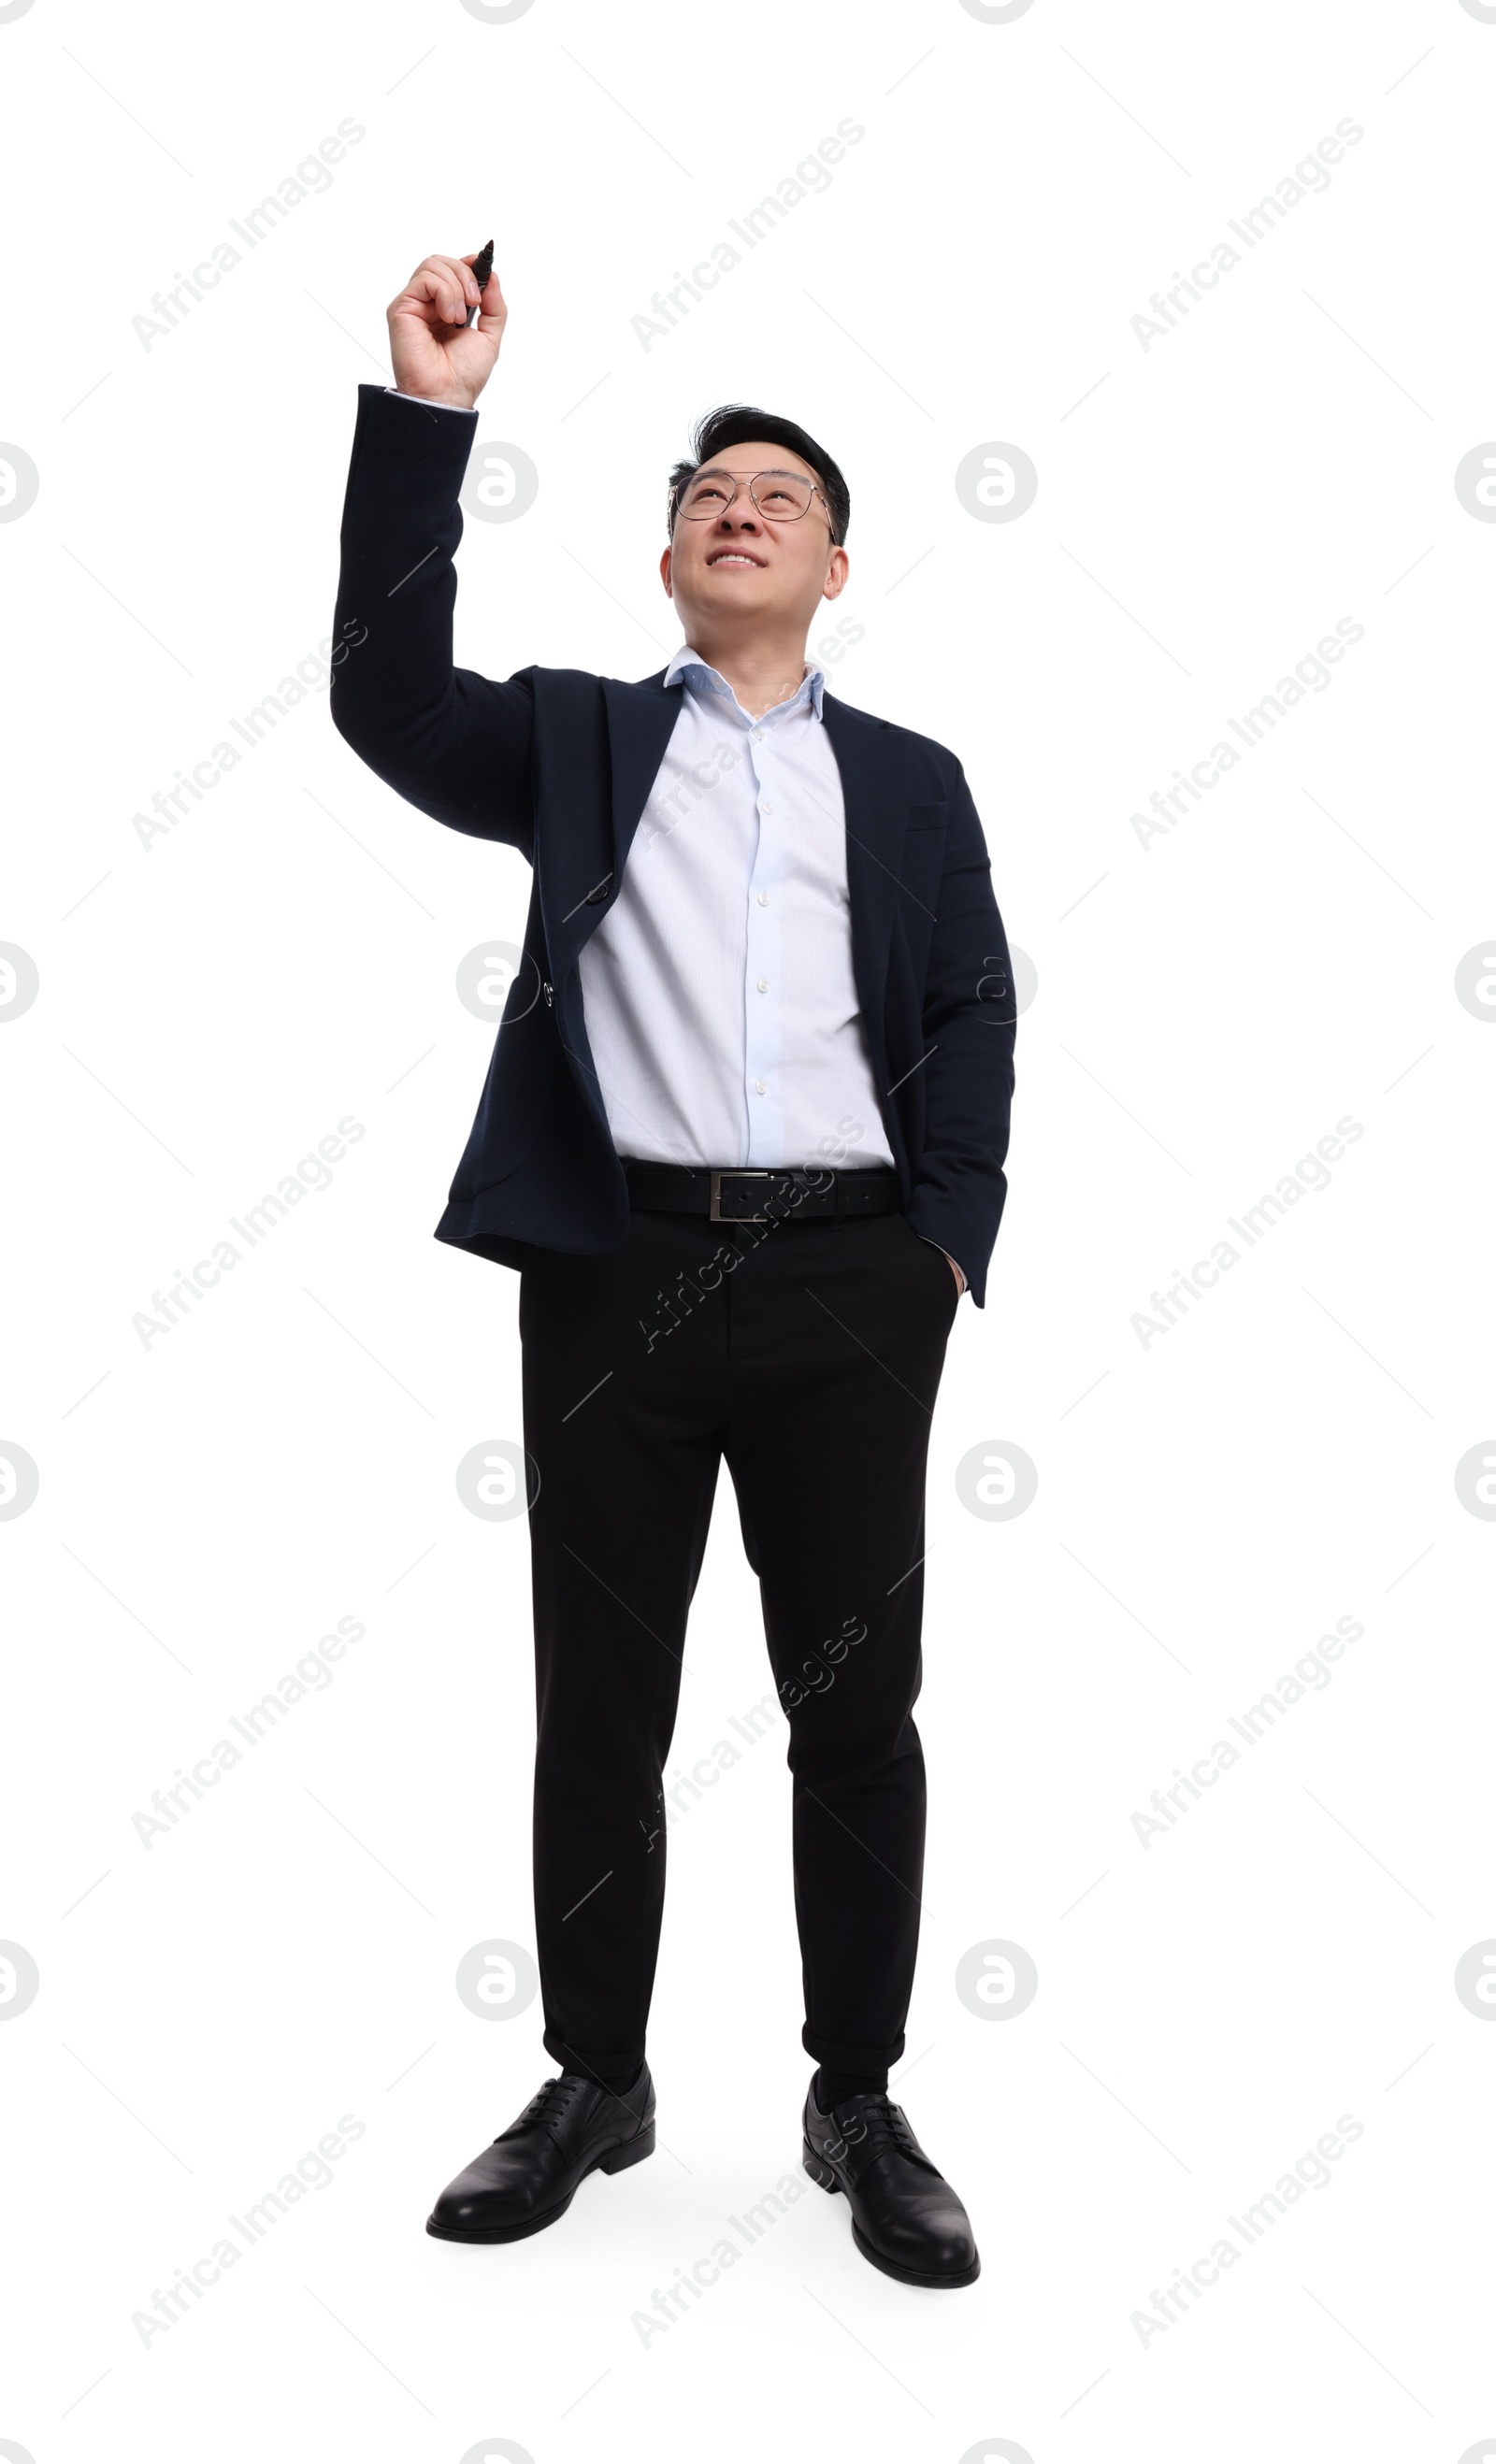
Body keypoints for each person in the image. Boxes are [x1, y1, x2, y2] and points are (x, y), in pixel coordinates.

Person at [330, 246, 1016, 2289]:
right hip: (615, 1269)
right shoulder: (571, 743)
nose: (733, 505)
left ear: (827, 569)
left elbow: (972, 1002)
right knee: (597, 1701)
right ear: (666, 563)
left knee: (854, 1704)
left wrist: (939, 1238)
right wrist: (427, 416)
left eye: (774, 497)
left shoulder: (907, 781)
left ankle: (858, 2091)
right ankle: (594, 2077)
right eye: (703, 490)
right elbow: (382, 698)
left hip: (845, 1286)